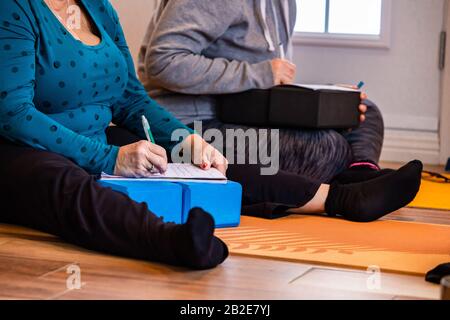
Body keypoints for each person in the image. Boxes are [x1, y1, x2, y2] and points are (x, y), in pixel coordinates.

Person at [138, 0, 423, 221]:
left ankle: (359, 174)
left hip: (246, 110)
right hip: (192, 123)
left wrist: (326, 100)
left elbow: (270, 78)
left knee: (361, 109)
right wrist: (261, 73)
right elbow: (164, 62)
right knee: (326, 147)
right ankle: (346, 183)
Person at [0, 0, 230, 270]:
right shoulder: (12, 6)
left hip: (93, 141)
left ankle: (285, 195)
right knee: (64, 180)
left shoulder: (98, 7)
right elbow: (11, 113)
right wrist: (109, 158)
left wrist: (187, 140)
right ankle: (171, 240)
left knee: (192, 159)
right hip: (22, 148)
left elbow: (130, 99)